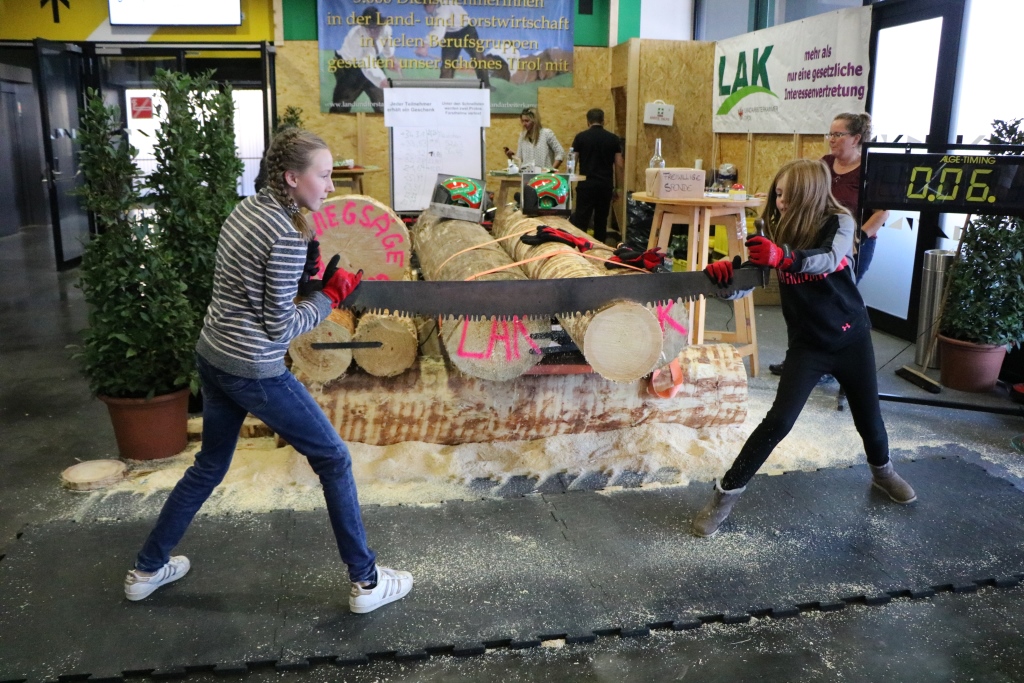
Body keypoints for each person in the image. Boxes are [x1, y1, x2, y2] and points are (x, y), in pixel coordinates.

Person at [123, 129, 414, 614]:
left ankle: (146, 569)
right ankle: (367, 582)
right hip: (253, 368)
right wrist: (328, 297)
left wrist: (304, 279)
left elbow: (249, 289)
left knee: (209, 465)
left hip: (214, 354)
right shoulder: (284, 233)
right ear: (292, 177)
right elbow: (281, 328)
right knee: (334, 459)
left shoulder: (247, 210)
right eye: (324, 175)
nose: (331, 186)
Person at [691, 159, 916, 538]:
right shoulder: (773, 229)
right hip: (808, 345)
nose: (780, 202)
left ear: (809, 195)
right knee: (778, 422)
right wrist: (726, 282)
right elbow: (749, 283)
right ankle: (724, 496)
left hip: (852, 338)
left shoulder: (839, 222)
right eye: (778, 194)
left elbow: (828, 260)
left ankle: (884, 473)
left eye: (788, 196)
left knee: (869, 419)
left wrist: (784, 258)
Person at [769, 112, 887, 376]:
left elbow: (882, 212)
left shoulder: (869, 170)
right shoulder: (825, 164)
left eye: (838, 134)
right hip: (818, 241)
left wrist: (857, 239)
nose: (831, 139)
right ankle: (803, 357)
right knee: (804, 301)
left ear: (856, 138)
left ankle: (838, 363)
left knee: (836, 303)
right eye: (830, 134)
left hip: (854, 244)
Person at [569, 108, 624, 246]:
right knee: (601, 222)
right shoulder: (613, 139)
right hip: (605, 186)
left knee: (581, 221)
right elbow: (619, 165)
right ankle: (600, 250)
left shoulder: (580, 137)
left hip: (585, 186)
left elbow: (572, 163)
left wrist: (569, 185)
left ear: (588, 122)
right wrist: (618, 188)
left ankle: (580, 248)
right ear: (603, 121)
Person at [329, 7, 400, 114]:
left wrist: (391, 58)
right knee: (341, 106)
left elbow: (387, 42)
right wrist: (381, 80)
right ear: (364, 26)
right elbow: (365, 63)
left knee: (384, 105)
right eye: (369, 27)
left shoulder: (385, 29)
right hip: (348, 67)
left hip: (372, 61)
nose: (372, 31)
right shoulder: (355, 36)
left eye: (376, 27)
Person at [414, 0, 491, 88]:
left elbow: (438, 30)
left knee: (479, 59)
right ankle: (444, 90)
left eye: (425, 4)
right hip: (450, 33)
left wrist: (425, 46)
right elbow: (437, 25)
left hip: (467, 30)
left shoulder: (443, 8)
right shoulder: (434, 7)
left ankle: (486, 86)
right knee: (447, 67)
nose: (424, 7)